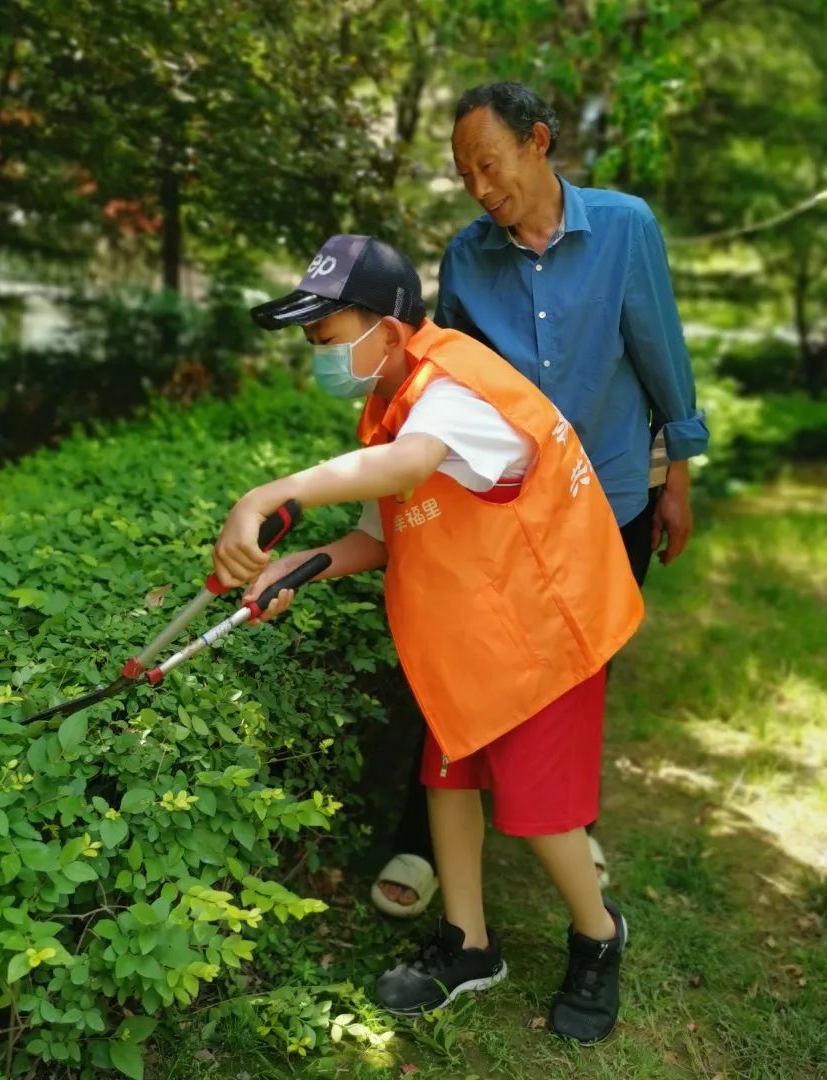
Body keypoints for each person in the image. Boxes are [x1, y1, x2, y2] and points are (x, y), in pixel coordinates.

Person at [213, 233, 643, 1043]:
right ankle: (468, 943)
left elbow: (411, 468)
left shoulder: (453, 389)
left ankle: (597, 935)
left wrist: (271, 494)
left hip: (544, 634)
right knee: (448, 784)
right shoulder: (395, 400)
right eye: (312, 342)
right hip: (475, 639)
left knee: (542, 814)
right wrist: (301, 564)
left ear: (392, 327)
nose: (320, 357)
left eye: (328, 338)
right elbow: (388, 529)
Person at [373, 82, 710, 917]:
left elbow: (660, 355)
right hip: (513, 510)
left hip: (618, 490)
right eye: (465, 176)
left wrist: (680, 477)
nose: (483, 189)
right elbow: (443, 375)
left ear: (538, 142)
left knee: (583, 665)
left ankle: (572, 819)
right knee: (471, 660)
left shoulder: (625, 227)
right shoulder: (466, 257)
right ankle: (423, 835)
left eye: (490, 164)